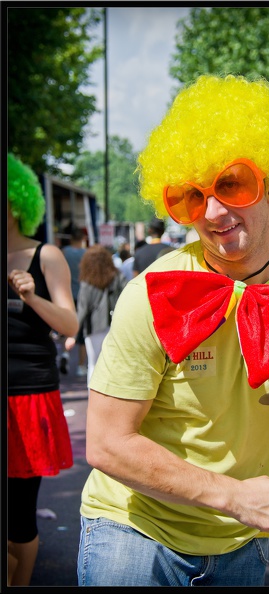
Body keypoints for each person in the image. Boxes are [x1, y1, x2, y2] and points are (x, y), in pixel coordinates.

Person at [77, 74, 269, 587]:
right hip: (134, 532)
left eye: (232, 183)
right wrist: (232, 495)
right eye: (193, 197)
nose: (215, 212)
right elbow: (107, 443)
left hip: (240, 544)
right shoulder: (152, 294)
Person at [7, 153, 79, 586]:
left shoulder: (45, 255)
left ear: (16, 203)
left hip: (27, 396)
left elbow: (70, 325)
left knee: (18, 517)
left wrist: (33, 297)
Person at [65, 245, 127, 384]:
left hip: (94, 327)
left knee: (94, 363)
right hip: (115, 324)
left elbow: (82, 309)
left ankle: (93, 398)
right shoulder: (117, 276)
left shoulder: (87, 282)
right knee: (114, 363)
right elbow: (127, 294)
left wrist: (73, 335)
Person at [59, 225, 88, 377]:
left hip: (67, 293)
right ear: (82, 239)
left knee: (66, 327)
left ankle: (64, 353)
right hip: (82, 295)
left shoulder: (64, 253)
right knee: (82, 330)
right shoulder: (86, 254)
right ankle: (81, 365)